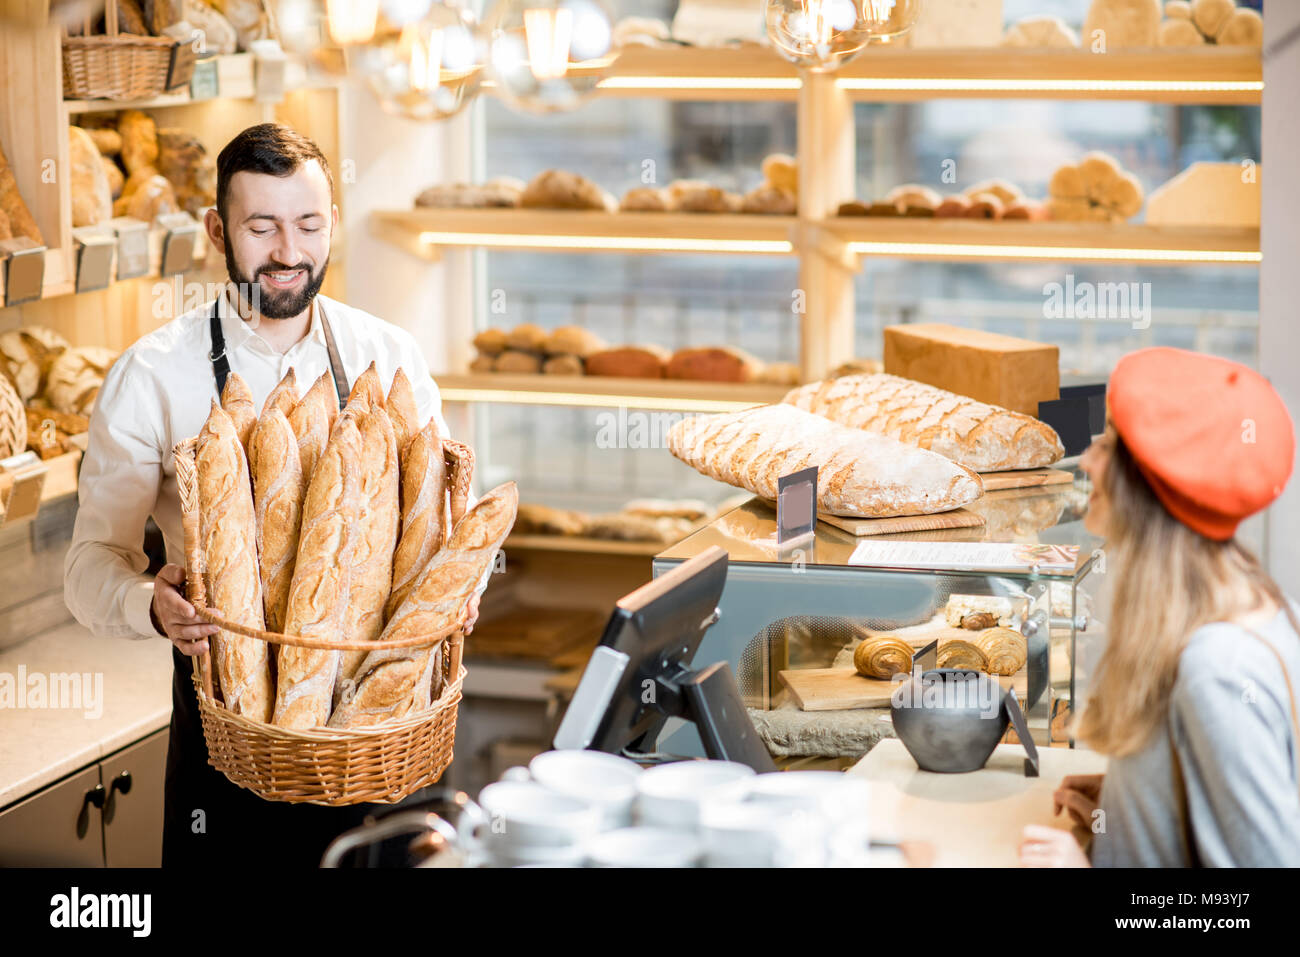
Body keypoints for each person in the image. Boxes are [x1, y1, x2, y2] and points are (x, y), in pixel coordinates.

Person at [64, 123, 480, 867]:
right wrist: (149, 603)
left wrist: (462, 586)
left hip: (382, 725)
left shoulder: (389, 355)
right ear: (216, 231)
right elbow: (90, 563)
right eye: (262, 227)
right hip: (232, 730)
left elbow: (445, 531)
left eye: (309, 224)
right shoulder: (154, 374)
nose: (289, 251)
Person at [1020, 346, 1298, 867]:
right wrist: (1135, 803)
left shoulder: (1218, 670)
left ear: (1150, 486)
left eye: (1111, 441)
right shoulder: (1251, 604)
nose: (1090, 457)